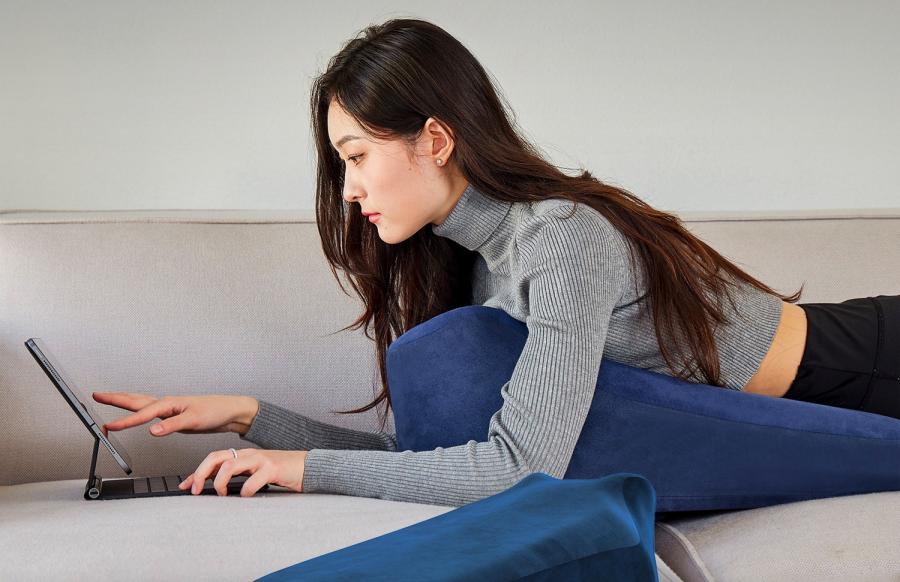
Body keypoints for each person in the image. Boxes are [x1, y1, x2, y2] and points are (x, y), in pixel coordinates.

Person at [92, 17, 899, 506]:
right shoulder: (471, 269)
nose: (348, 190)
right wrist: (247, 417)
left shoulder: (560, 238)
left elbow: (519, 469)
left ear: (435, 140)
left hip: (864, 364)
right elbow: (439, 463)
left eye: (358, 156)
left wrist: (303, 468)